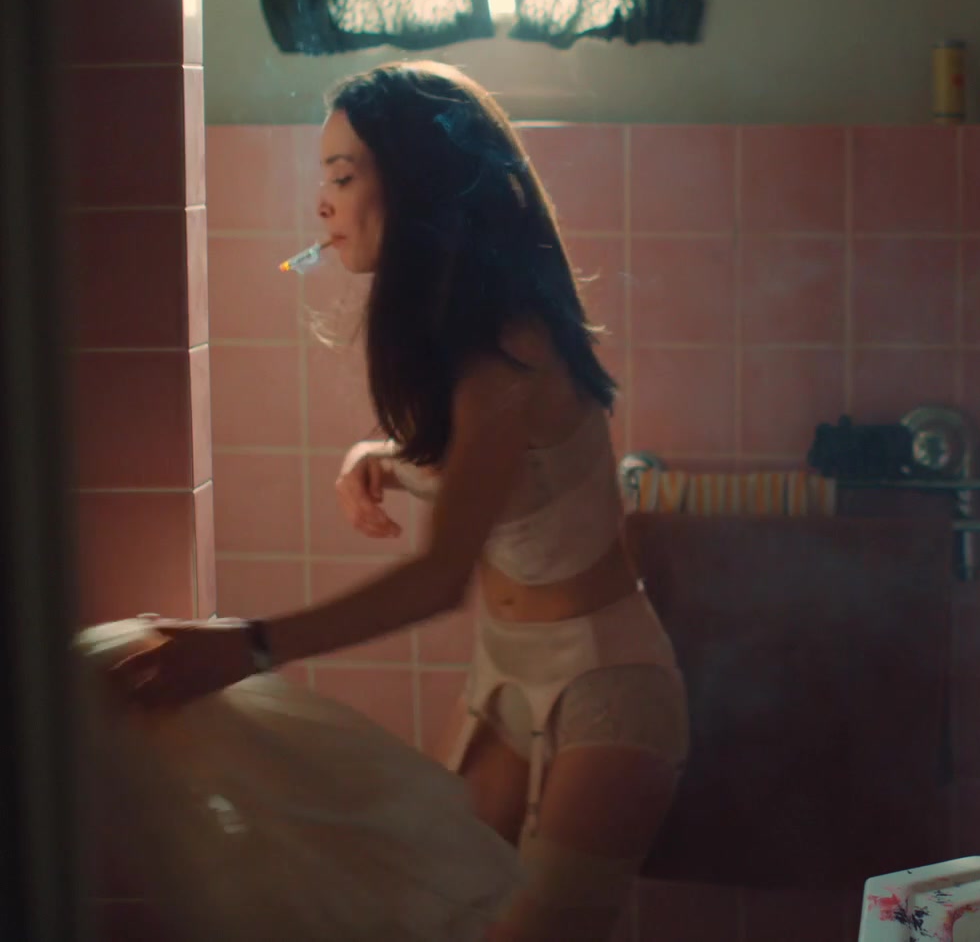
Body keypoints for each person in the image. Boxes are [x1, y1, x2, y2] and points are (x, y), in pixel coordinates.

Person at [109, 60, 688, 941]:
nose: (321, 205)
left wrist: (246, 647)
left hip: (608, 686)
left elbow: (438, 577)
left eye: (343, 176)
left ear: (417, 185)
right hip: (505, 677)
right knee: (443, 912)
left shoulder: (512, 346)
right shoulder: (458, 333)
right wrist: (380, 455)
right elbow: (493, 466)